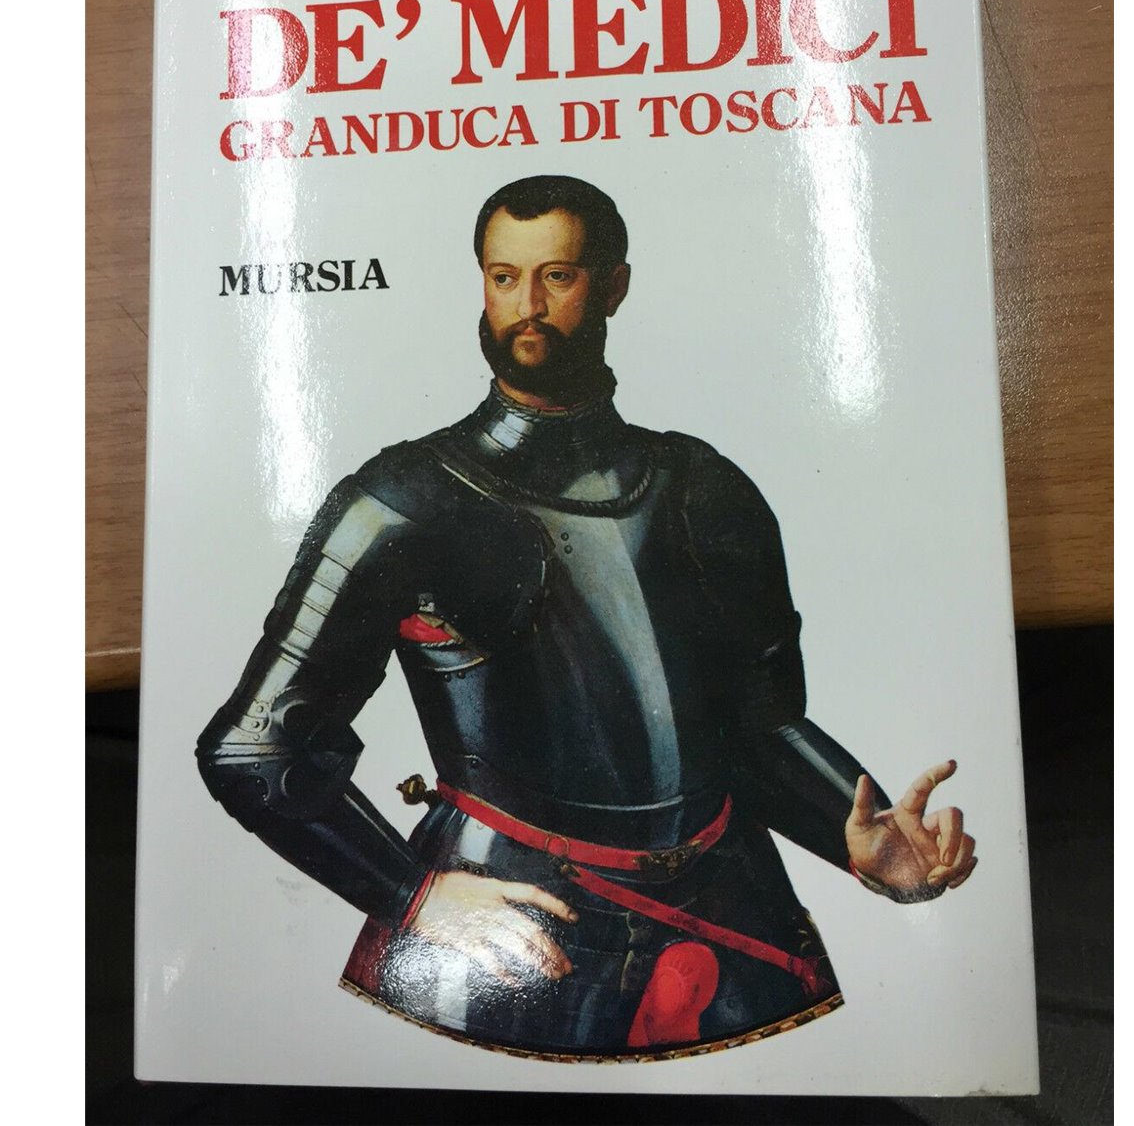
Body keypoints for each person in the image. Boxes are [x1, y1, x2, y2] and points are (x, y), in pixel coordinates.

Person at [197, 175, 976, 1061]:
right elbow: (251, 751)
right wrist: (414, 895)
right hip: (506, 924)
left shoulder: (706, 486)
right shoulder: (401, 500)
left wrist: (853, 834)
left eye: (557, 277)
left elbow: (761, 727)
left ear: (614, 286)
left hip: (734, 910)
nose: (527, 307)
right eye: (504, 278)